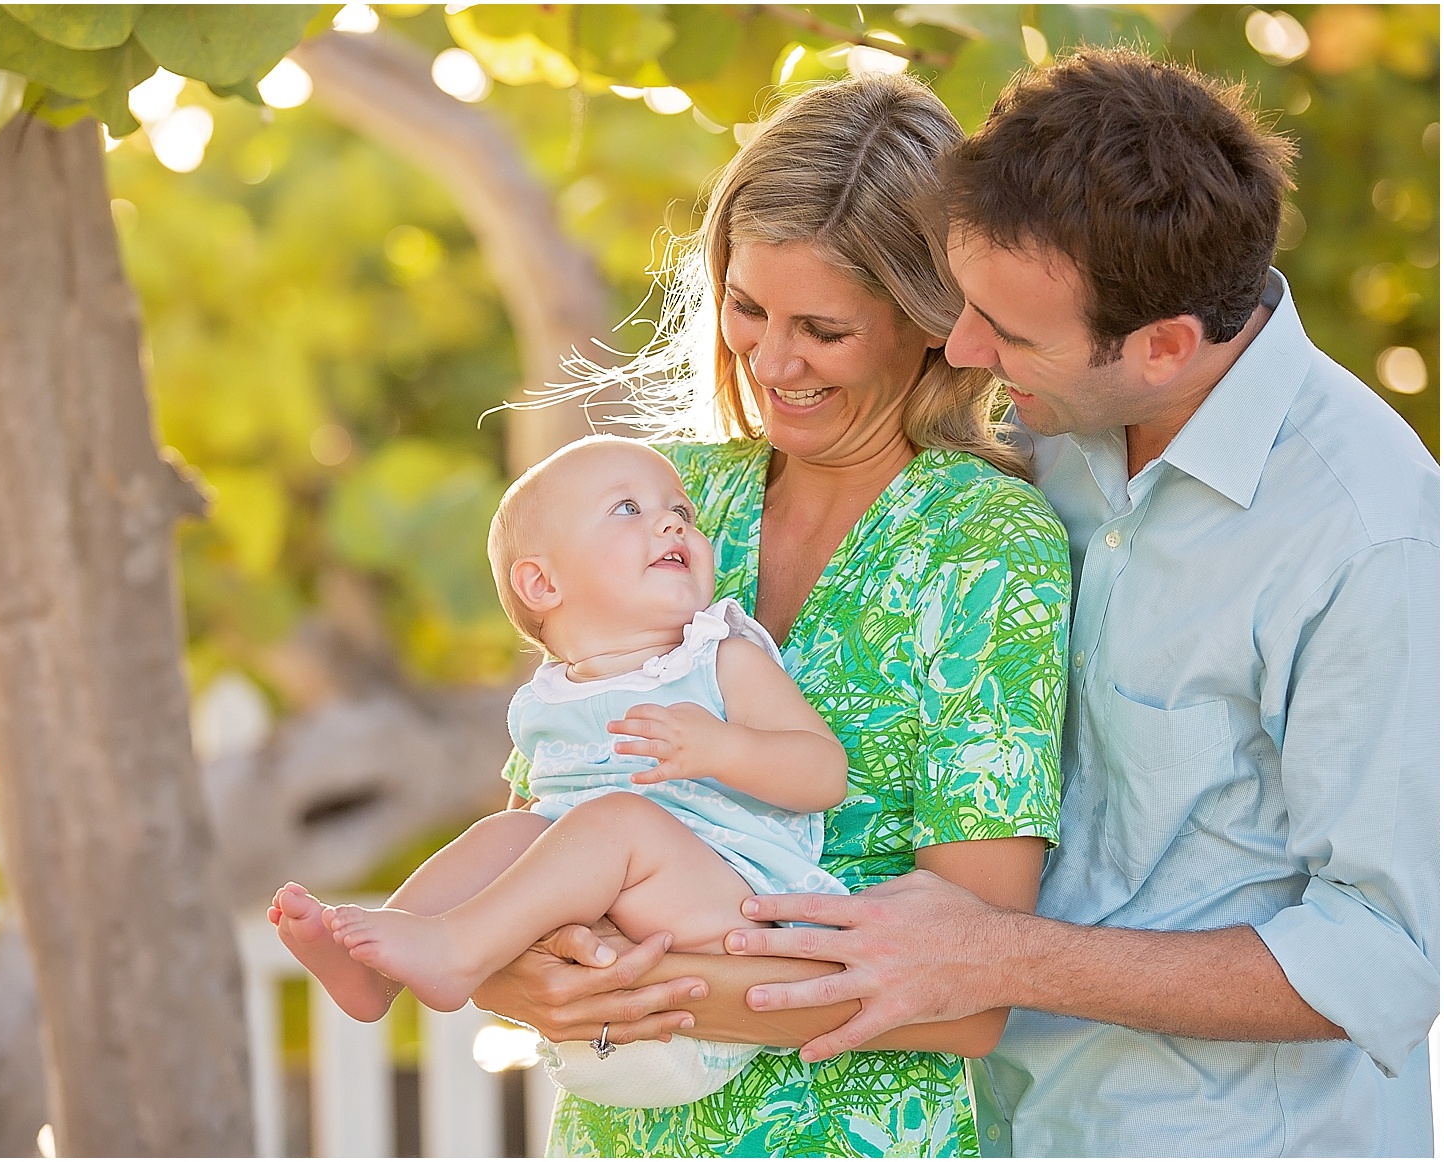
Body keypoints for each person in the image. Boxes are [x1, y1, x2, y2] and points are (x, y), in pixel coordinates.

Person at [640, 49, 1437, 1157]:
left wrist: (1008, 955)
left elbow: (1390, 955)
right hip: (1006, 1126)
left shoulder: (1367, 531)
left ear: (1164, 348)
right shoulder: (1042, 433)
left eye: (1004, 333)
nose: (962, 349)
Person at [473, 73, 1075, 1155]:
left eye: (824, 329)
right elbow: (539, 831)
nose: (772, 361)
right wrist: (504, 960)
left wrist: (561, 976)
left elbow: (970, 988)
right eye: (747, 309)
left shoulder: (987, 547)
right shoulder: (666, 496)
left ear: (931, 323)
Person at [269, 435, 853, 1109]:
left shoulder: (717, 659)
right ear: (543, 584)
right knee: (510, 834)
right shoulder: (553, 697)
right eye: (629, 508)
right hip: (614, 965)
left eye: (682, 513)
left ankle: (457, 950)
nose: (672, 523)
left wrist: (724, 750)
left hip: (738, 916)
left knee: (613, 823)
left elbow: (823, 773)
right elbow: (544, 845)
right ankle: (375, 973)